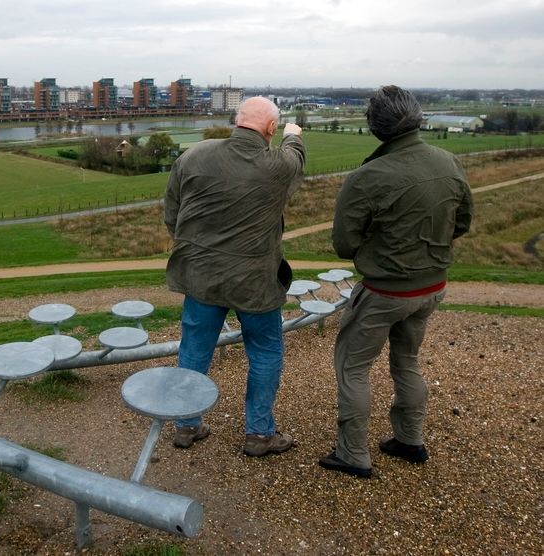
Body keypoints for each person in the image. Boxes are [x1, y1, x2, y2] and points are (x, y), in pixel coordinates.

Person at [319, 85, 474, 478]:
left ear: (376, 127)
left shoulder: (368, 176)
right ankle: (410, 438)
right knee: (407, 361)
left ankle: (353, 453)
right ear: (417, 117)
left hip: (385, 290)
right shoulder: (449, 161)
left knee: (353, 366)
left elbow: (343, 244)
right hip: (431, 286)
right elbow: (463, 223)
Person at [164, 96, 305, 456]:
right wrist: (293, 134)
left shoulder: (194, 155)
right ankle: (259, 434)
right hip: (255, 281)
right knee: (265, 350)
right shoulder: (277, 164)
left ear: (236, 121)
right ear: (270, 128)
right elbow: (296, 157)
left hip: (202, 276)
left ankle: (186, 425)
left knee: (194, 349)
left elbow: (173, 214)